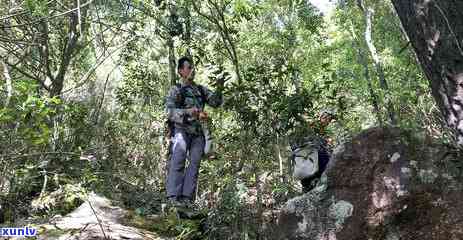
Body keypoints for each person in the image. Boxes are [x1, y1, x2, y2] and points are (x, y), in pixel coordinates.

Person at [165, 56, 223, 207]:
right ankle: (173, 198)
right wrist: (188, 112)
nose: (192, 70)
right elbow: (169, 112)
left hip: (198, 133)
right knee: (178, 161)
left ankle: (187, 199)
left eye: (192, 67)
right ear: (180, 71)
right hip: (181, 131)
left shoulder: (201, 90)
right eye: (188, 67)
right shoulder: (176, 89)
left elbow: (215, 102)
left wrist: (220, 87)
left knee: (194, 165)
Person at [291, 109, 336, 192]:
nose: (327, 121)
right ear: (320, 116)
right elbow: (297, 141)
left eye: (329, 119)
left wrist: (327, 143)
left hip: (314, 159)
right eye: (326, 118)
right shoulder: (310, 126)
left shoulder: (323, 131)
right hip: (308, 156)